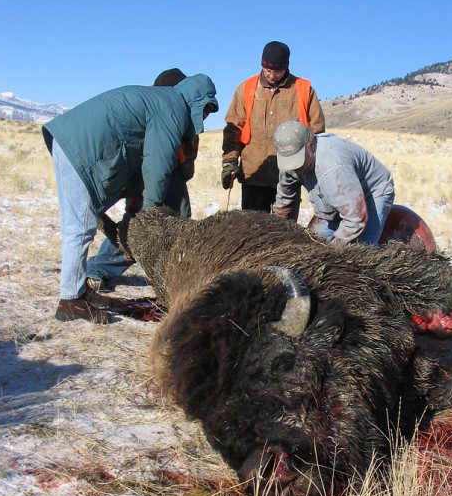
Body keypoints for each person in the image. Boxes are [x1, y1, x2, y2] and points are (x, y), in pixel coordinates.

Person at [43, 73, 218, 323]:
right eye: (205, 110)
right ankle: (70, 300)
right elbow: (159, 164)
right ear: (197, 101)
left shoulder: (163, 99)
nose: (205, 117)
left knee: (80, 226)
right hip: (80, 148)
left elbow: (142, 155)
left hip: (71, 141)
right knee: (79, 229)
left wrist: (139, 200)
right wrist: (150, 212)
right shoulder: (173, 107)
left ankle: (79, 292)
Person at [86, 68, 198, 291]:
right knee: (138, 226)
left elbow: (190, 148)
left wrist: (183, 169)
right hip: (144, 174)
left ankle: (175, 276)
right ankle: (98, 270)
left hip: (173, 174)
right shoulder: (148, 107)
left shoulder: (184, 108)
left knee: (180, 223)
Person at [221, 41, 325, 214]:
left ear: (286, 67)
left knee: (285, 235)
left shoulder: (303, 90)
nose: (271, 75)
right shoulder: (246, 88)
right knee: (252, 232)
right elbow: (233, 129)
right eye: (268, 70)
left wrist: (310, 170)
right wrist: (230, 161)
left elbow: (317, 131)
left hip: (289, 177)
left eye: (277, 71)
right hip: (254, 174)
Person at [272, 120, 395, 247]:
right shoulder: (288, 162)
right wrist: (277, 234)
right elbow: (284, 200)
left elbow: (356, 218)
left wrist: (333, 250)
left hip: (373, 192)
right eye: (289, 160)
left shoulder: (333, 167)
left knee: (359, 252)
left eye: (297, 159)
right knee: (310, 244)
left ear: (311, 146)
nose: (294, 167)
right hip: (337, 195)